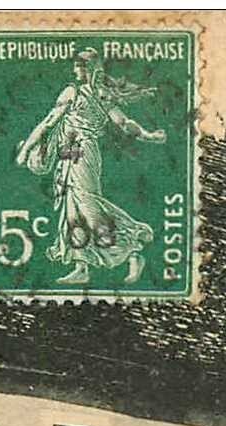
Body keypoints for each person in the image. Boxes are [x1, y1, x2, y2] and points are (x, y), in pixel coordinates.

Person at [14, 49, 166, 285]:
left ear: (92, 68)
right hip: (69, 155)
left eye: (81, 66)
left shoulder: (86, 94)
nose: (77, 71)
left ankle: (132, 251)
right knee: (72, 209)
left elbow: (123, 124)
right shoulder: (88, 93)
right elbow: (51, 121)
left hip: (82, 154)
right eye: (76, 66)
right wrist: (149, 136)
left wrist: (150, 136)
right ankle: (81, 266)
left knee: (87, 206)